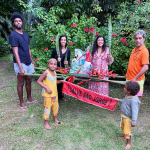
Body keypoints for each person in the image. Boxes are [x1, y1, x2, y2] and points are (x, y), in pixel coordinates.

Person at [9, 12, 37, 110]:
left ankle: (29, 99)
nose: (18, 22)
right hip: (20, 63)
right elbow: (15, 53)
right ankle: (21, 103)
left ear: (22, 22)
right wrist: (20, 67)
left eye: (19, 21)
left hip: (28, 61)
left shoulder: (25, 34)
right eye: (16, 21)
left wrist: (32, 61)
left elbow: (28, 49)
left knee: (29, 80)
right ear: (13, 23)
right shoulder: (13, 35)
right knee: (21, 83)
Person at [37, 58, 63, 129]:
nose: (53, 65)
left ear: (56, 66)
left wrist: (60, 81)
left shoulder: (54, 73)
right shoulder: (46, 73)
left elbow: (53, 83)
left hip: (55, 94)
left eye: (54, 64)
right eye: (51, 64)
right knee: (47, 108)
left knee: (55, 107)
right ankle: (46, 123)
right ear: (48, 65)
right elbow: (38, 81)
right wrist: (47, 88)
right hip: (48, 95)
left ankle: (55, 119)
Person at [115, 81, 141, 149]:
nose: (124, 88)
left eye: (125, 88)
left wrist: (134, 121)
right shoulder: (128, 96)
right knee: (123, 127)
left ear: (129, 91)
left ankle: (129, 143)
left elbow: (135, 112)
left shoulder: (133, 101)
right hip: (123, 116)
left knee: (127, 130)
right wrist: (119, 100)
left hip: (128, 118)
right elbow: (125, 101)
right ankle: (124, 136)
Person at [126, 30, 149, 101]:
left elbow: (145, 67)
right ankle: (129, 111)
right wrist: (127, 73)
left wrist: (135, 78)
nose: (137, 40)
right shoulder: (134, 49)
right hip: (130, 78)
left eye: (140, 38)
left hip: (137, 80)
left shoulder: (144, 51)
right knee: (129, 97)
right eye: (136, 38)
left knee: (136, 99)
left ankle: (135, 112)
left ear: (144, 39)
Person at [51, 35, 71, 101]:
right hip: (56, 69)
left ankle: (62, 96)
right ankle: (55, 96)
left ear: (66, 41)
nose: (63, 41)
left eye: (64, 40)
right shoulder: (56, 49)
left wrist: (67, 62)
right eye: (62, 39)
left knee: (63, 83)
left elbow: (69, 59)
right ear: (60, 41)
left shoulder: (68, 50)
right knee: (56, 82)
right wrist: (56, 59)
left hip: (64, 69)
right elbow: (51, 58)